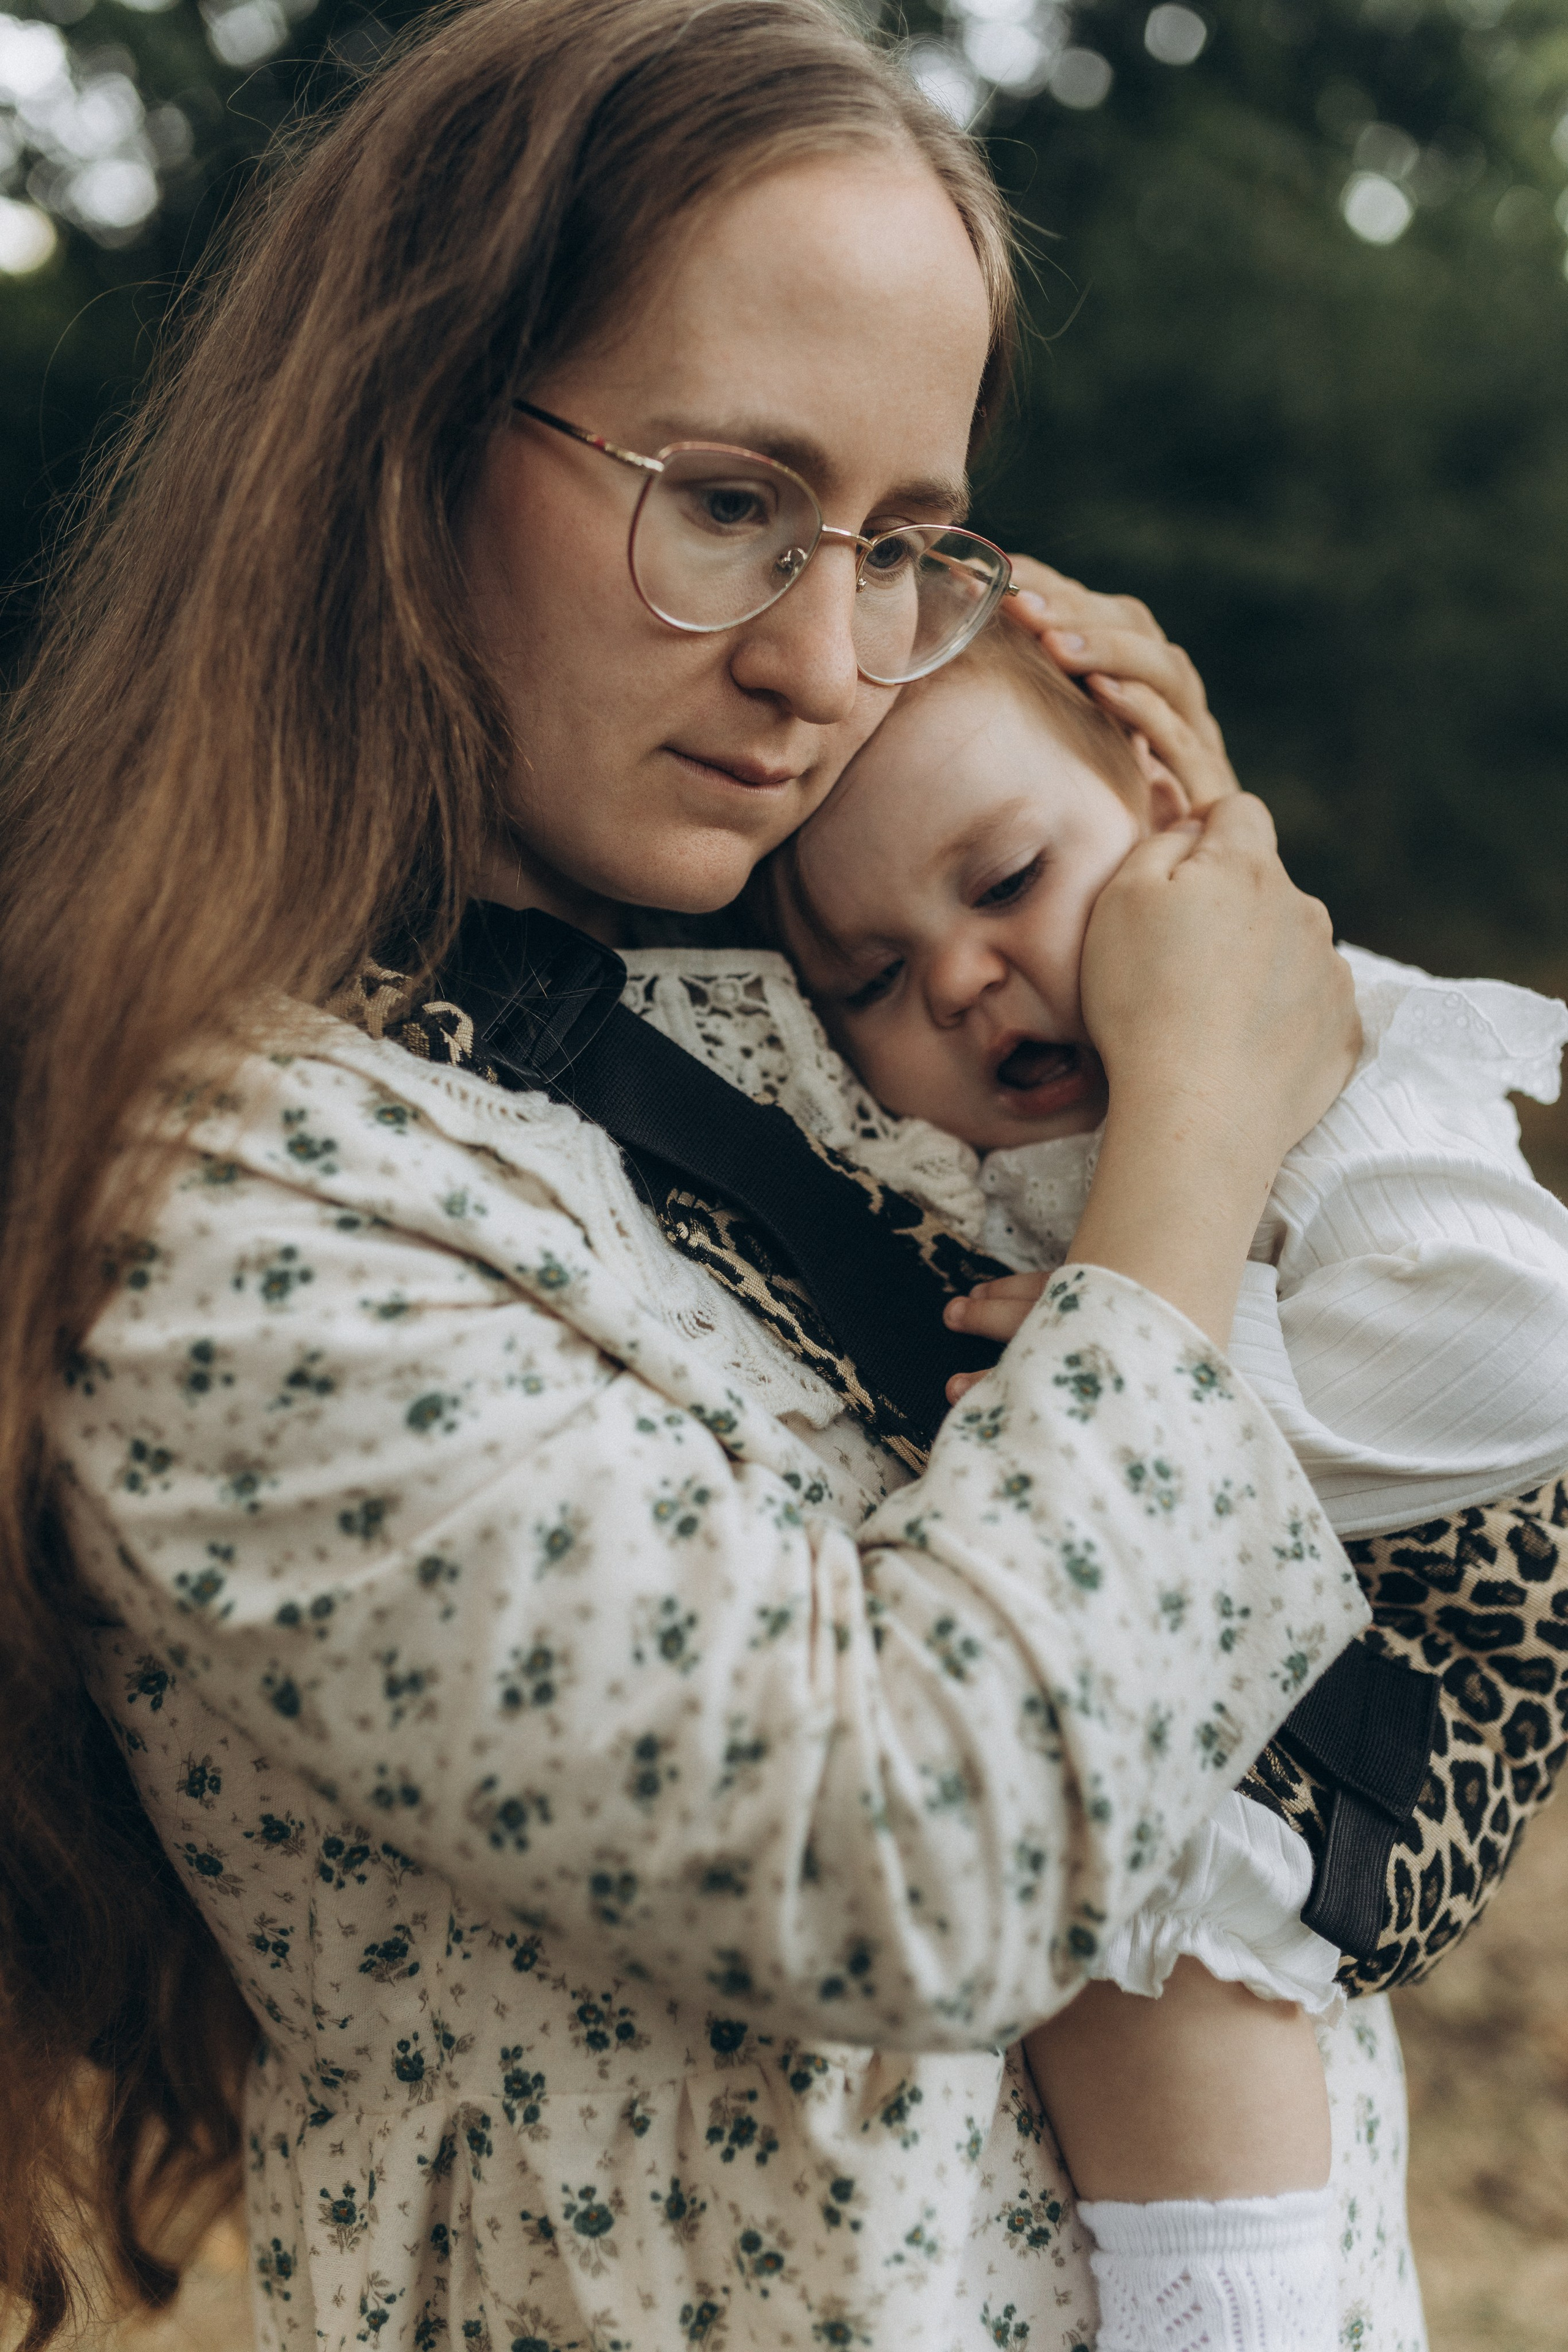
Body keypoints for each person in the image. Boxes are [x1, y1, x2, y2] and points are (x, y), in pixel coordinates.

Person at [0, 4, 1410, 2348]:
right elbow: (919, 1868)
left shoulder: (808, 1014)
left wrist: (1155, 907)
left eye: (906, 543)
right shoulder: (226, 1213)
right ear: (407, 437)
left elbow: (1290, 1658)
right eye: (736, 501)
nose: (829, 664)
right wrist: (1185, 1147)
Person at [763, 612, 1568, 2348]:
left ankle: (1236, 2318)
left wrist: (1162, 1336)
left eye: (1007, 877)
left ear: (1169, 803)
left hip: (1418, 1656)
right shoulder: (998, 1148)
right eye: (874, 984)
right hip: (1239, 1633)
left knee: (1167, 1909)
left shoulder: (1345, 1057)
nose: (963, 977)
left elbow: (1521, 1358)